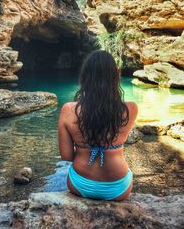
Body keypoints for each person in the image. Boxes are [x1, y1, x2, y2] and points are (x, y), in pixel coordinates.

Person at [58, 50, 138, 201]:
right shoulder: (130, 109)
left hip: (79, 184)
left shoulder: (68, 110)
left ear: (85, 78)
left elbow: (66, 156)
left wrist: (85, 148)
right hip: (118, 188)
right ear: (114, 77)